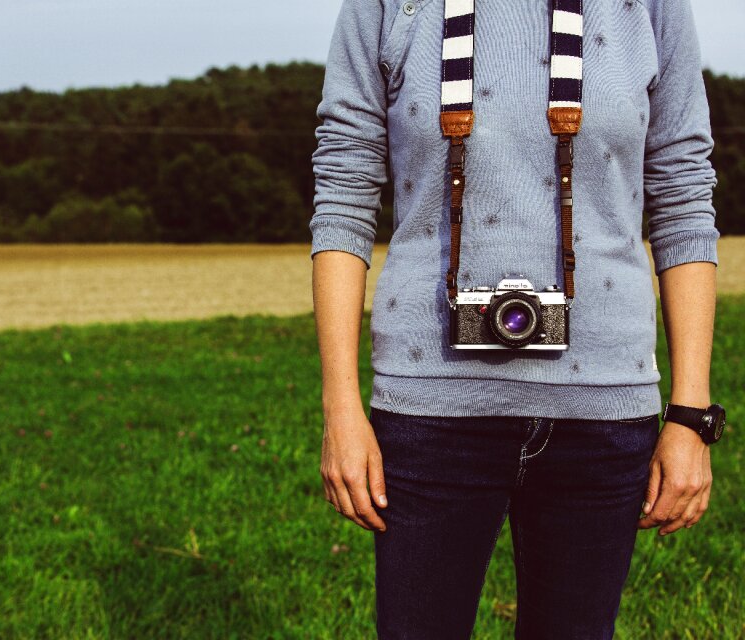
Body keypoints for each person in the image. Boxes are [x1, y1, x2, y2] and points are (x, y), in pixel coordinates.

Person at [310, 0, 724, 638]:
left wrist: (691, 417)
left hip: (605, 413)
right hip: (429, 407)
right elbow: (343, 189)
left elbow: (684, 195)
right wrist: (341, 407)